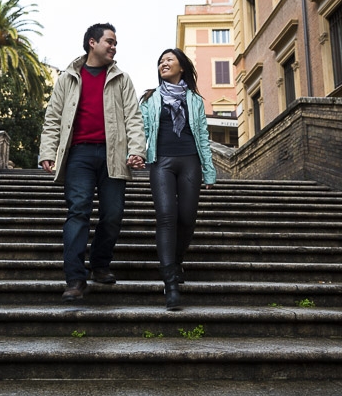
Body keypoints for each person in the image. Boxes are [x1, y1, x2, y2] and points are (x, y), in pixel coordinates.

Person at [39, 23, 146, 302]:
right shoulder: (68, 77)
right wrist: (47, 152)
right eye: (109, 41)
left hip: (113, 154)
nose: (114, 47)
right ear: (92, 43)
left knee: (112, 214)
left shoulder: (122, 78)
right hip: (79, 155)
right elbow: (53, 117)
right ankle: (75, 278)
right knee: (78, 212)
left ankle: (99, 265)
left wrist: (137, 150)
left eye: (115, 43)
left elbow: (134, 118)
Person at [140, 48, 216, 310]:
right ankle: (170, 282)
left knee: (187, 217)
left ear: (181, 67)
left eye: (169, 60)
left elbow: (203, 135)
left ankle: (176, 260)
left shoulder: (194, 99)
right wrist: (135, 153)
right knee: (166, 216)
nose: (164, 63)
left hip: (190, 161)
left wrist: (208, 170)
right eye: (161, 60)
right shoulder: (150, 98)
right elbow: (143, 130)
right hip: (161, 161)